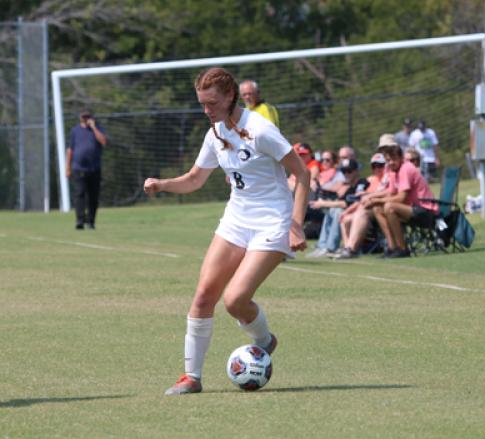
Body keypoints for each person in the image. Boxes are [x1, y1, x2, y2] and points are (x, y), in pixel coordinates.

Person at [144, 67, 309, 395]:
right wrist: (163, 185)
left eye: (212, 103)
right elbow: (194, 179)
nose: (207, 111)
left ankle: (264, 340)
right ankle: (191, 377)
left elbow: (302, 174)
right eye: (202, 104)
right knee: (205, 294)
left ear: (231, 96)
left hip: (272, 222)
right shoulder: (214, 134)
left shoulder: (261, 129)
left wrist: (296, 225)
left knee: (235, 300)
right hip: (236, 220)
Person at [367, 142, 439, 258]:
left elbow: (401, 197)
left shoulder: (405, 169)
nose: (391, 163)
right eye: (388, 160)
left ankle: (402, 249)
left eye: (394, 159)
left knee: (389, 207)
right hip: (412, 209)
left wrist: (377, 200)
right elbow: (391, 193)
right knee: (377, 209)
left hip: (425, 211)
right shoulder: (393, 171)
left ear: (401, 158)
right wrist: (373, 199)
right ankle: (392, 247)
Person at [306, 158, 369, 258]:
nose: (346, 174)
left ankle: (331, 247)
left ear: (357, 171)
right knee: (331, 210)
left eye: (349, 171)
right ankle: (322, 245)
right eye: (344, 171)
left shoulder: (362, 183)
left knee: (337, 211)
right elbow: (341, 201)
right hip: (351, 213)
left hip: (361, 213)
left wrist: (324, 204)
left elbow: (346, 203)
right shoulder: (348, 187)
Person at [65, 108, 107, 229]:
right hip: (79, 167)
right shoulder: (75, 130)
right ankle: (79, 220)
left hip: (94, 168)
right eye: (83, 117)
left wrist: (94, 128)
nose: (86, 119)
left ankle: (91, 221)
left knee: (93, 196)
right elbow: (70, 150)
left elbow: (103, 142)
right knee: (80, 194)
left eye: (88, 116)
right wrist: (67, 167)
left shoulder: (98, 128)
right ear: (80, 117)